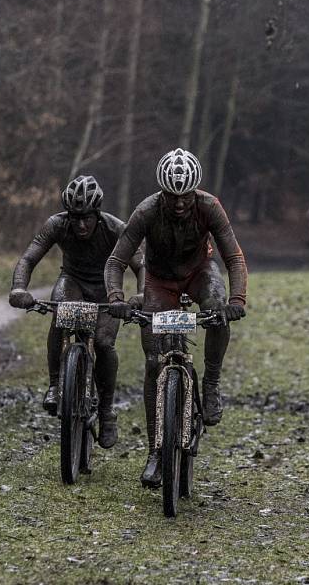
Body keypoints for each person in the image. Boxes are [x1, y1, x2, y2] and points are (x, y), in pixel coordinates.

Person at [104, 148, 247, 487]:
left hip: (200, 272)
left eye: (185, 196)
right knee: (154, 362)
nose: (179, 203)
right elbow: (115, 262)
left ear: (194, 192)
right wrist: (117, 299)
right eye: (172, 196)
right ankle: (155, 451)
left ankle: (211, 384)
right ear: (162, 193)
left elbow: (235, 258)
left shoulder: (209, 206)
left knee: (216, 307)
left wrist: (238, 300)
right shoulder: (147, 210)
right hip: (159, 281)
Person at [9, 175, 144, 449]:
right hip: (72, 282)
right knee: (61, 316)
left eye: (87, 218)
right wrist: (19, 289)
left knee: (105, 344)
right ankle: (55, 384)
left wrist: (140, 295)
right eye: (75, 218)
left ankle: (106, 413)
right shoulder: (56, 224)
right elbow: (29, 258)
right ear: (67, 215)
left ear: (97, 214)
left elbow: (141, 264)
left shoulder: (115, 228)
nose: (81, 225)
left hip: (108, 289)